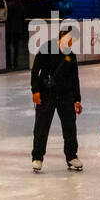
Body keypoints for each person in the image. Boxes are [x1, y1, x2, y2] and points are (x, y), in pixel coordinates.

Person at [30, 25, 83, 173]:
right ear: (62, 35)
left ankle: (72, 156)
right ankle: (37, 157)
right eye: (69, 38)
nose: (71, 42)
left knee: (70, 126)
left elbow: (74, 78)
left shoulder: (70, 55)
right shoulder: (47, 48)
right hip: (46, 94)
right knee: (41, 126)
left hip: (66, 95)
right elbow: (36, 70)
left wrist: (77, 99)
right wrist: (35, 91)